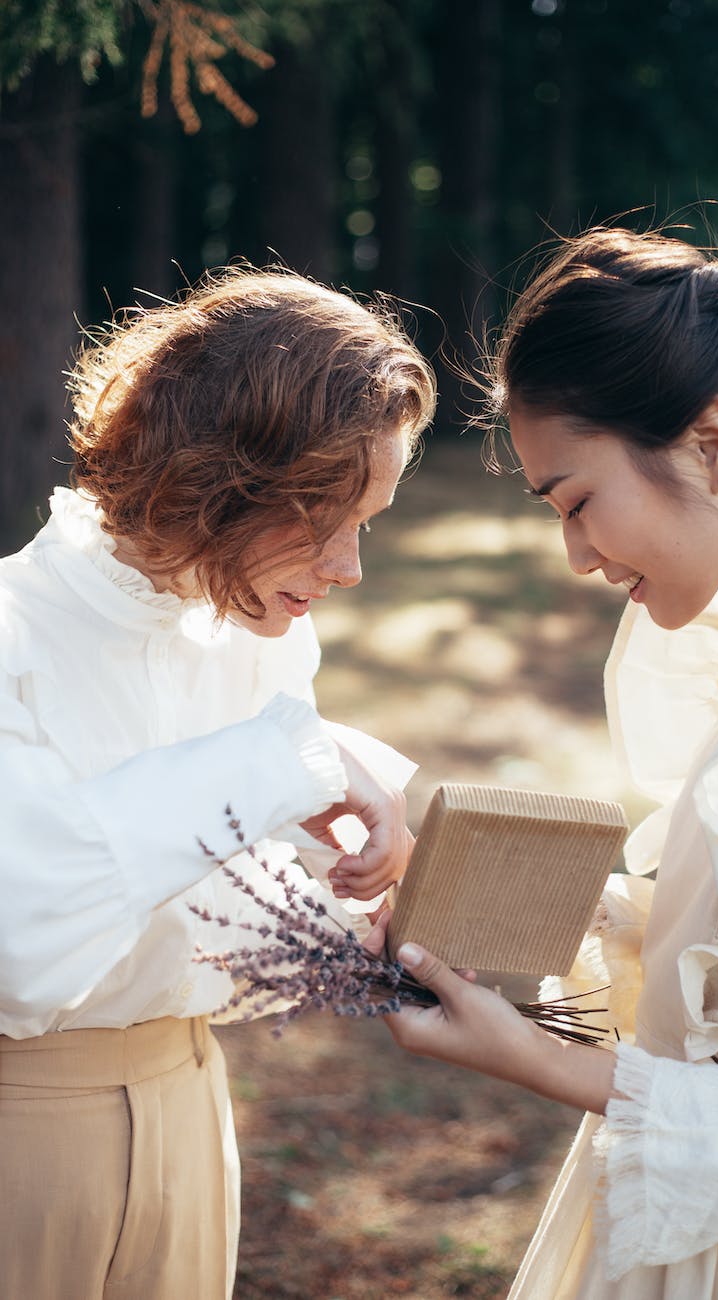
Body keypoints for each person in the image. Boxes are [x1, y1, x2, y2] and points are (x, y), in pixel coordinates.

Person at [378, 226, 718, 1298]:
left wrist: (538, 1061)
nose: (578, 556)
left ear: (709, 445)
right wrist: (526, 900)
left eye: (577, 501)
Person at [0, 266, 435, 1299]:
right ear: (221, 477)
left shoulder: (260, 643)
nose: (350, 568)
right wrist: (285, 758)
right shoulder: (12, 633)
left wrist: (353, 921)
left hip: (194, 1115)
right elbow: (23, 940)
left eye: (368, 521)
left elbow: (201, 908)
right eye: (329, 517)